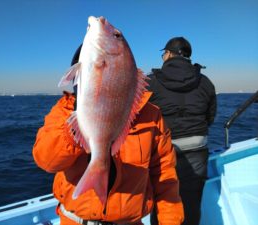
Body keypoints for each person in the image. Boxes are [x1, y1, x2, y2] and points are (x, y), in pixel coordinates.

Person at [32, 45, 184, 225]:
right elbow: (47, 160)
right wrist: (76, 126)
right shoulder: (64, 111)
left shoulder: (150, 115)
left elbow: (164, 175)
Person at [147, 37, 216, 225]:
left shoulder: (151, 82)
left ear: (169, 54)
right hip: (197, 151)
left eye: (163, 54)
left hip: (164, 154)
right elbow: (211, 116)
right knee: (192, 204)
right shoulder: (206, 82)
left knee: (164, 202)